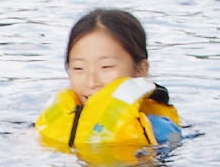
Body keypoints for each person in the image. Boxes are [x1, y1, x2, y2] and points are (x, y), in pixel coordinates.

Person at [36, 8, 181, 154]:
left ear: (140, 70)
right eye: (78, 68)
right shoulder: (54, 120)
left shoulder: (159, 129)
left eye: (106, 67)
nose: (91, 82)